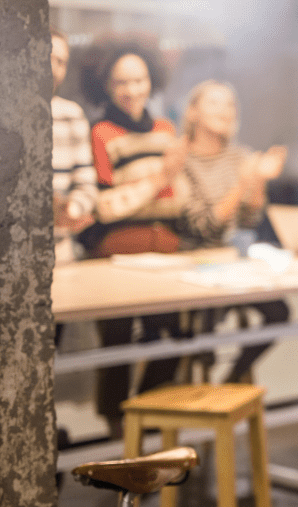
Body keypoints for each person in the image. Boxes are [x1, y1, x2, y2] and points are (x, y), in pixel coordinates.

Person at [76, 37, 188, 437]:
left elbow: (176, 198)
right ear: (105, 85)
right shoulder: (100, 132)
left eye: (139, 80)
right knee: (117, 343)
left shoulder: (166, 129)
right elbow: (104, 205)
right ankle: (115, 427)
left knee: (174, 337)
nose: (132, 89)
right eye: (121, 82)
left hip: (166, 252)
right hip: (116, 256)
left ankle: (146, 416)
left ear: (151, 80)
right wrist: (158, 180)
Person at [177, 79, 290, 383]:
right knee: (200, 329)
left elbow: (250, 220)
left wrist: (259, 181)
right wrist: (242, 184)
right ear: (193, 112)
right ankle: (201, 373)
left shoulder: (240, 156)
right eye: (214, 103)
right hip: (195, 263)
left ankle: (232, 379)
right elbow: (203, 227)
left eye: (230, 104)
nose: (225, 111)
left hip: (234, 262)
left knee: (279, 313)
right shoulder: (182, 160)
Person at [50, 27, 98, 266]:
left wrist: (71, 211)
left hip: (58, 254)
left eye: (61, 62)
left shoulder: (71, 115)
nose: (53, 68)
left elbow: (86, 185)